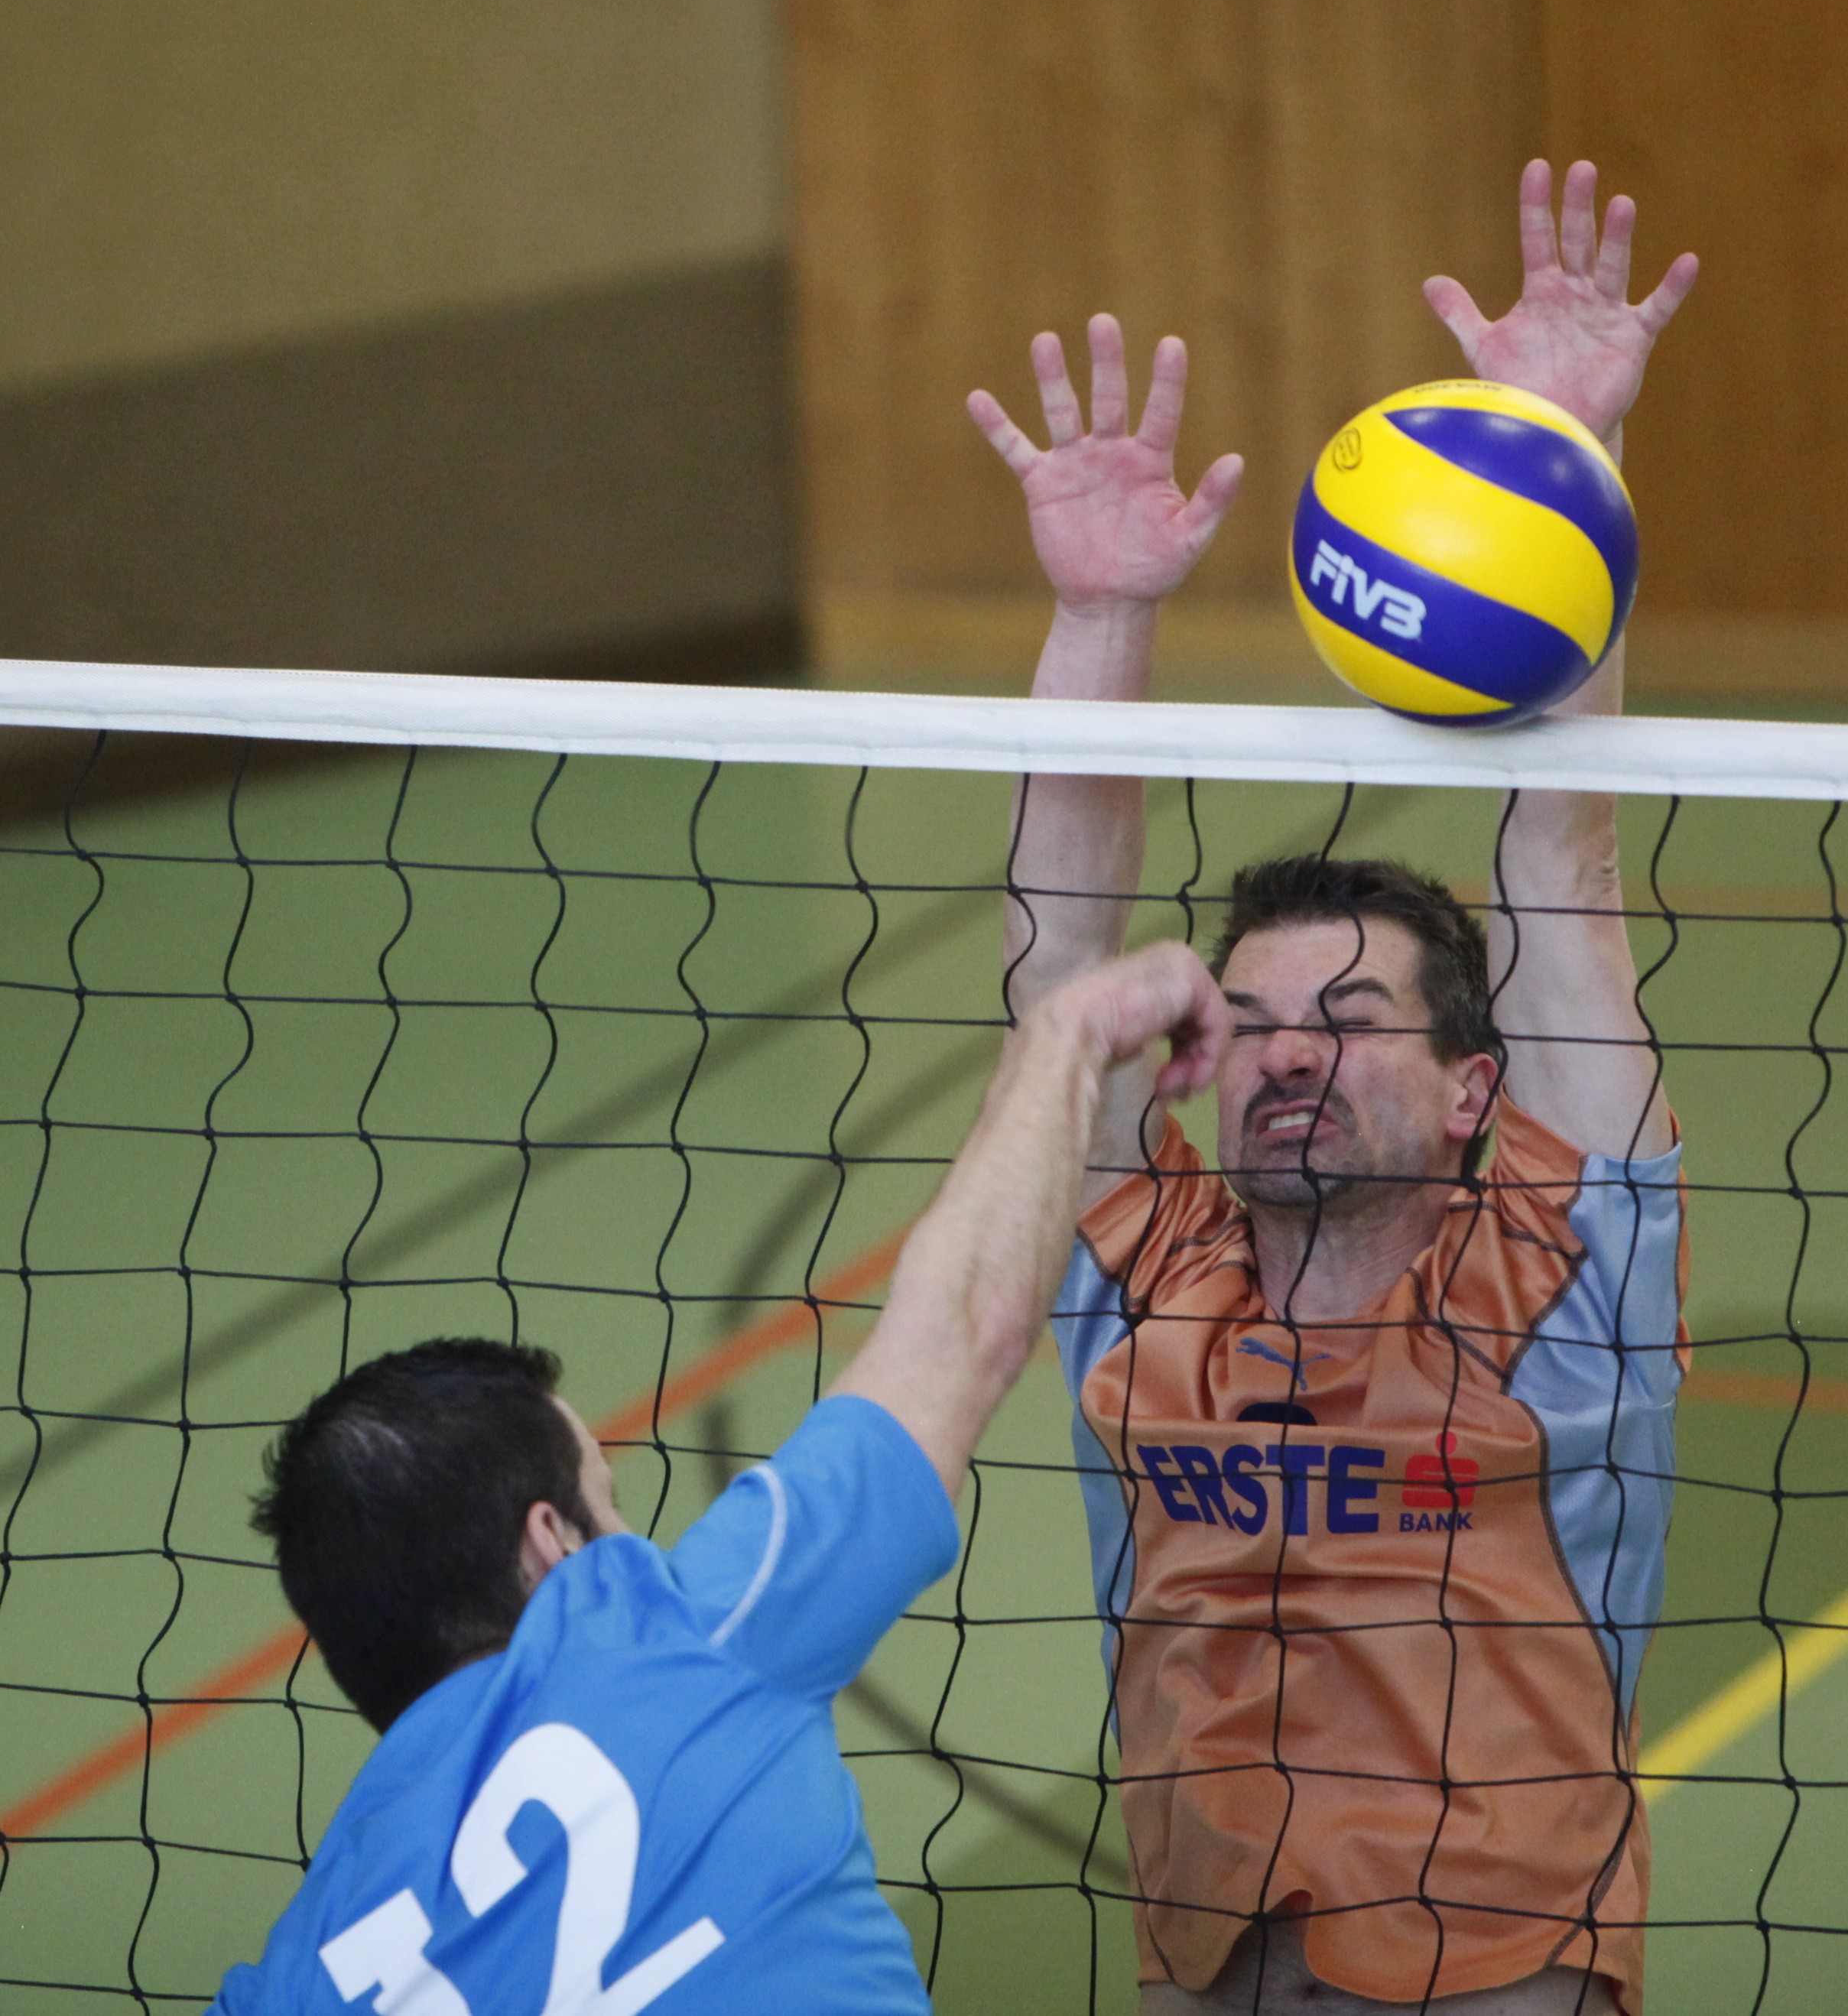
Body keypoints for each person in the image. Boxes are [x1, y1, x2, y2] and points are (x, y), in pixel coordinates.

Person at [967, 159, 1700, 2016]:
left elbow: (1565, 868)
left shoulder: (1565, 1267)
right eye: (1256, 1021)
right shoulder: (1146, 1272)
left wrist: (1558, 461)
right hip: (1207, 1968)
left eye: (1353, 1017)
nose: (1291, 1050)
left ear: (1474, 1092)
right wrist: (1101, 619)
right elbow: (1060, 969)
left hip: (1502, 1972)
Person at [205, 940, 1229, 2016]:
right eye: (607, 1501)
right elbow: (965, 1327)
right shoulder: (678, 1638)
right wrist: (1071, 1027)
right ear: (551, 1544)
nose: (633, 1539)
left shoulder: (287, 1981)